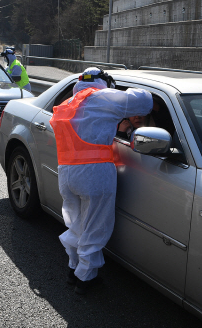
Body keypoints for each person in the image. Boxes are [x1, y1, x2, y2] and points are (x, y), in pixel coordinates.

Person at [49, 67, 153, 294]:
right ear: (104, 83)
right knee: (95, 226)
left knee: (76, 223)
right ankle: (86, 279)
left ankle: (73, 268)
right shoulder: (102, 96)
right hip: (94, 173)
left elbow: (89, 128)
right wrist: (118, 92)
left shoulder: (70, 103)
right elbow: (145, 101)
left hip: (67, 174)